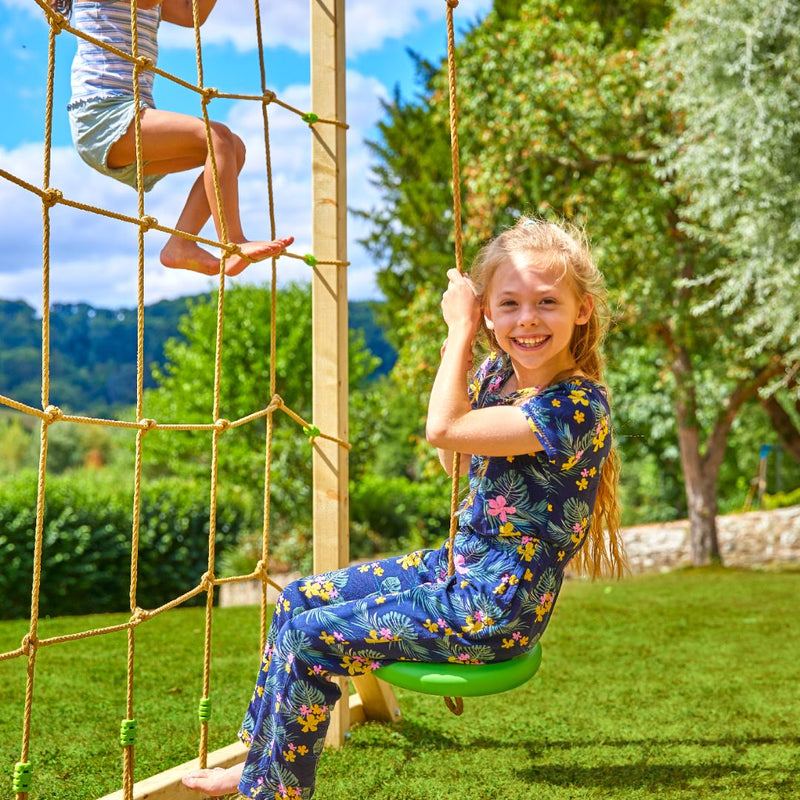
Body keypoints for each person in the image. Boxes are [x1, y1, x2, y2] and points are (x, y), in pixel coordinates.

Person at [182, 217, 627, 799]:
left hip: (493, 609)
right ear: (489, 312)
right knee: (298, 599)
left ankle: (271, 792)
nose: (527, 319)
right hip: (456, 570)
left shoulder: (575, 407)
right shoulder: (498, 375)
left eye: (547, 302)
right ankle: (258, 765)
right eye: (509, 304)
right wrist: (459, 362)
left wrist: (460, 333)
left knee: (313, 639)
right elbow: (455, 461)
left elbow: (443, 430)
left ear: (582, 309)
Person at [60, 0, 293, 276]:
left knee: (232, 148)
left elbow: (191, 13)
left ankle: (180, 244)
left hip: (127, 119)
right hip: (102, 115)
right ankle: (233, 242)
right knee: (215, 136)